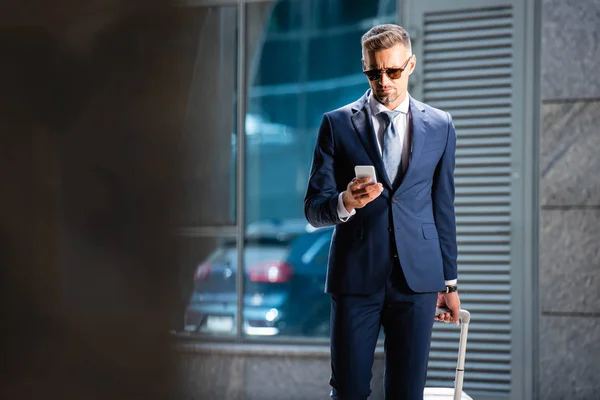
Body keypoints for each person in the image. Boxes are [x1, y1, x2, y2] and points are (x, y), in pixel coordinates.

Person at [304, 24, 461, 400]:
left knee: (408, 392)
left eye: (392, 71)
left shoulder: (440, 125)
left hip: (418, 281)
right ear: (364, 68)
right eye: (373, 73)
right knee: (349, 390)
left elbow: (443, 207)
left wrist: (450, 283)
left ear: (410, 66)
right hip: (355, 277)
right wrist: (345, 201)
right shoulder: (337, 124)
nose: (383, 82)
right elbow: (313, 209)